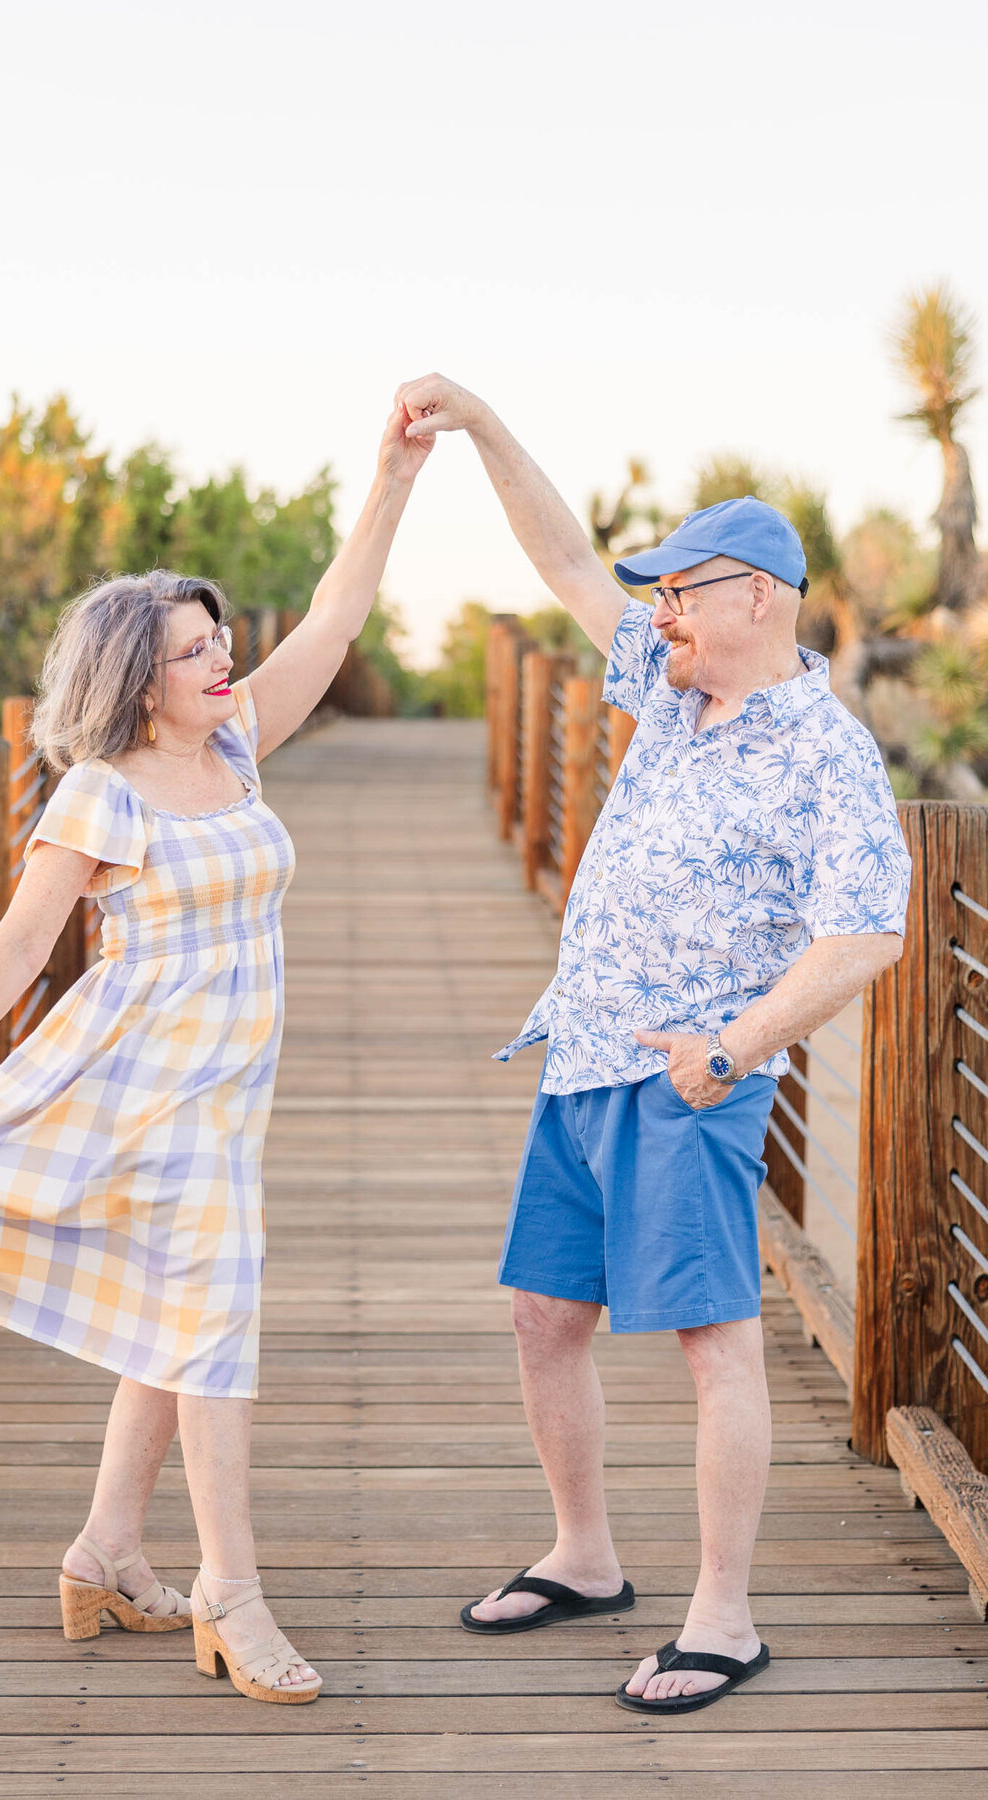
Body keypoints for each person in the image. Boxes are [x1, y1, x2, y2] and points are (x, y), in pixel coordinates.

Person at [0, 401, 433, 1705]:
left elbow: (336, 621)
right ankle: (230, 1592)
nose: (220, 659)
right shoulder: (101, 790)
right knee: (214, 1321)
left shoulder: (234, 747)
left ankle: (107, 1551)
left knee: (177, 1323)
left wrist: (390, 481)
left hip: (228, 1095)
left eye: (219, 638)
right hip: (143, 1086)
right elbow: (14, 948)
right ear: (137, 677)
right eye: (191, 649)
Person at [397, 374, 911, 1715]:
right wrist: (483, 429)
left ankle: (723, 1617)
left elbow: (867, 934)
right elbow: (564, 556)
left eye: (683, 590)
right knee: (542, 1317)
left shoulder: (827, 751)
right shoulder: (672, 693)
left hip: (693, 1083)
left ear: (759, 598)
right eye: (660, 594)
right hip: (581, 1058)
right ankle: (585, 1555)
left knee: (711, 1343)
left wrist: (732, 1052)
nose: (660, 611)